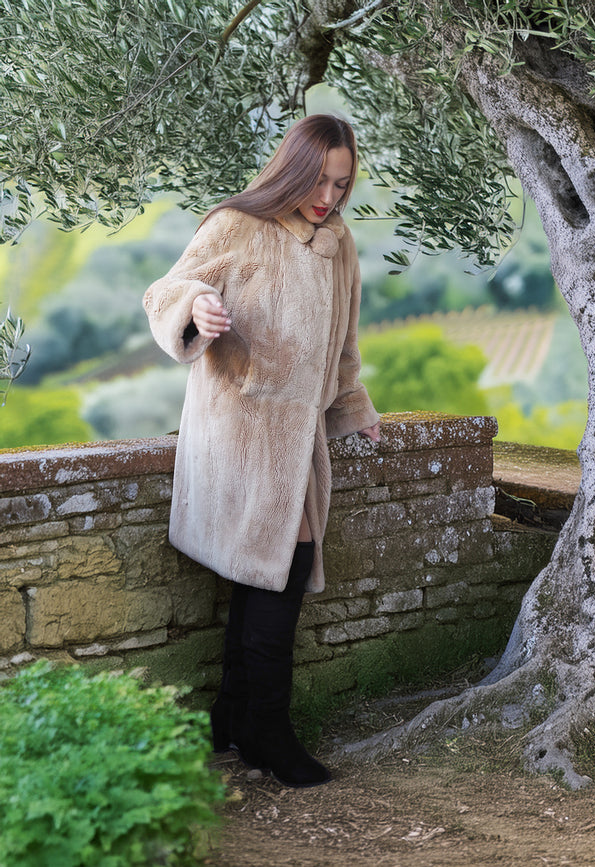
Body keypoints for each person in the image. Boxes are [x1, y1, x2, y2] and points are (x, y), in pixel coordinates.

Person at [143, 114, 380, 788]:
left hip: (298, 439)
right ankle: (266, 729)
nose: (329, 197)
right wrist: (199, 310)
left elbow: (343, 343)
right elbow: (166, 291)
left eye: (341, 183)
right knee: (282, 560)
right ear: (293, 168)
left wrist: (352, 407)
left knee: (264, 572)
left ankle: (233, 717)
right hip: (238, 433)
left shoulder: (339, 244)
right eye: (319, 180)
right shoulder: (236, 224)